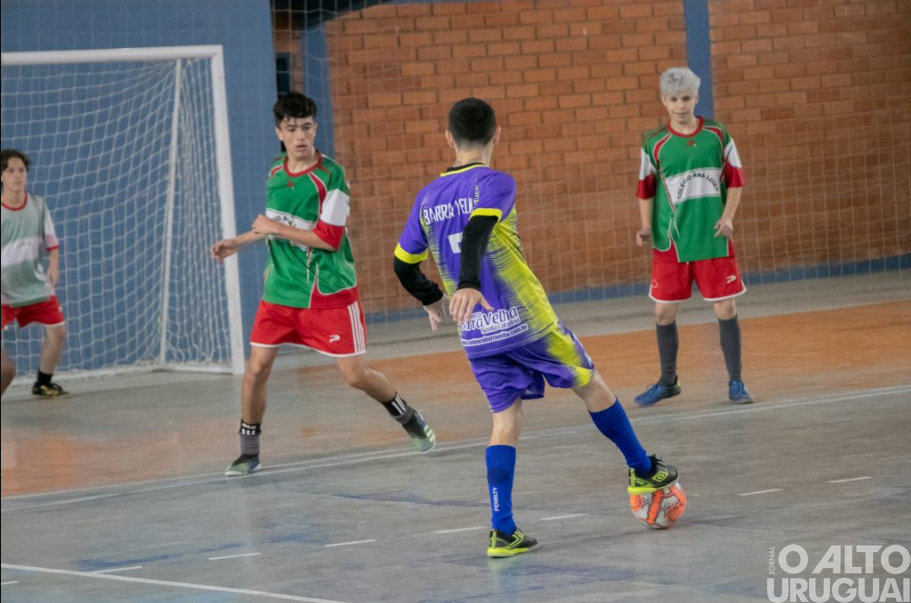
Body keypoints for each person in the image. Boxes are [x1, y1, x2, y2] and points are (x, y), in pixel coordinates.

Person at [394, 98, 679, 558]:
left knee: (505, 421)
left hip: (476, 332)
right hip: (526, 319)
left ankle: (502, 530)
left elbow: (402, 265)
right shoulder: (496, 182)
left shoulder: (426, 198)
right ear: (497, 134)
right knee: (591, 384)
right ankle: (642, 468)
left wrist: (433, 299)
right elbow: (475, 233)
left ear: (448, 137)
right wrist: (468, 283)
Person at [210, 92, 436, 477]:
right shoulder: (276, 172)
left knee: (355, 376)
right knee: (256, 370)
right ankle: (249, 452)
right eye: (292, 129)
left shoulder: (331, 176)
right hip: (279, 291)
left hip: (327, 291)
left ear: (315, 128)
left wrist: (270, 227)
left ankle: (410, 418)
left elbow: (328, 239)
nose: (301, 136)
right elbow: (278, 227)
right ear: (279, 132)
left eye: (307, 127)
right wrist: (240, 241)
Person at [634, 67, 754, 406]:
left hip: (713, 237)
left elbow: (736, 180)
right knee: (663, 313)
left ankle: (736, 382)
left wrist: (728, 216)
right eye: (673, 99)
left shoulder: (717, 134)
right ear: (664, 101)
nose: (680, 105)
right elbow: (644, 189)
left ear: (696, 98)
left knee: (726, 307)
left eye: (686, 98)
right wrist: (645, 227)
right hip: (670, 240)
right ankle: (668, 381)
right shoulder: (654, 143)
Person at [1, 149, 69, 399]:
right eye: (10, 171)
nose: (17, 176)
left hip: (34, 286)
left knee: (58, 331)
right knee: (5, 369)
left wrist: (53, 263)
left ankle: (43, 383)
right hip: (4, 291)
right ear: (2, 177)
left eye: (21, 171)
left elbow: (51, 241)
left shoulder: (38, 205)